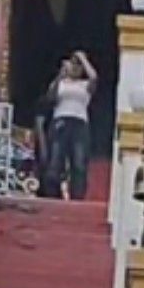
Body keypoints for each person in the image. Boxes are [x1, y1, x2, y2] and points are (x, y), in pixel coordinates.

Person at [43, 51, 97, 200]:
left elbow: (94, 77)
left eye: (78, 65)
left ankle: (77, 196)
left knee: (79, 162)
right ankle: (52, 195)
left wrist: (83, 59)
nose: (75, 68)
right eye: (73, 64)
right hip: (61, 120)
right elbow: (50, 97)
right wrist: (61, 75)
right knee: (55, 160)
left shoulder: (84, 85)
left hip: (79, 122)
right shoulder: (60, 83)